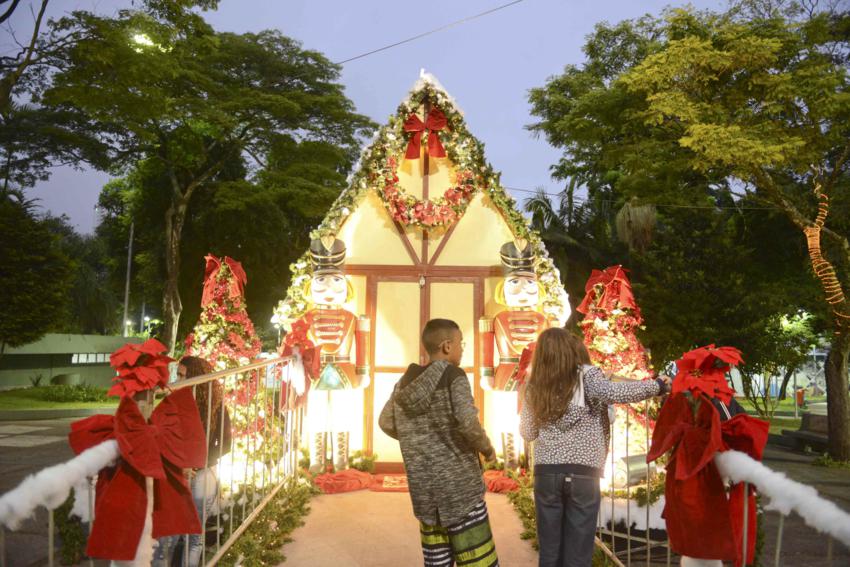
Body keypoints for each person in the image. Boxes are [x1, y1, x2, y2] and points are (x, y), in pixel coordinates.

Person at [519, 328, 670, 567]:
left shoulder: (534, 384)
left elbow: (528, 433)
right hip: (582, 474)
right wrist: (658, 386)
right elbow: (613, 392)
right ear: (570, 350)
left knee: (549, 552)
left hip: (546, 473)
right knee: (578, 554)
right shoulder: (587, 376)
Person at [379, 318, 500, 567]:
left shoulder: (405, 381)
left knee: (437, 561)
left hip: (425, 490)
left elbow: (385, 421)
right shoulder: (454, 376)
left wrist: (417, 437)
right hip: (460, 488)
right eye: (460, 343)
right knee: (478, 559)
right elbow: (468, 422)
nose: (462, 348)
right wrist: (487, 449)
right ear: (447, 346)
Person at [155, 356, 233, 567]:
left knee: (191, 537)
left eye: (182, 375)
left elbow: (225, 444)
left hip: (201, 473)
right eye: (178, 374)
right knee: (169, 537)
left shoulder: (215, 406)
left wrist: (198, 463)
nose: (178, 379)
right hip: (176, 474)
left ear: (196, 377)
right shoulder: (173, 402)